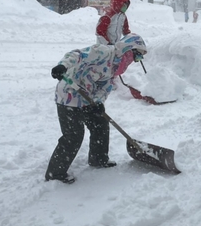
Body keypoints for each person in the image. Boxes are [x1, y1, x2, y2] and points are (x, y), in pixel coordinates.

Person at [45, 33, 147, 184]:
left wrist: (98, 102)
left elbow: (104, 88)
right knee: (73, 136)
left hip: (88, 99)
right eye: (136, 56)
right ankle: (55, 173)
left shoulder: (113, 68)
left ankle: (98, 159)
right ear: (128, 49)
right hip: (69, 95)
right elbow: (77, 55)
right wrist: (63, 65)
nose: (135, 61)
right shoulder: (103, 52)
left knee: (100, 124)